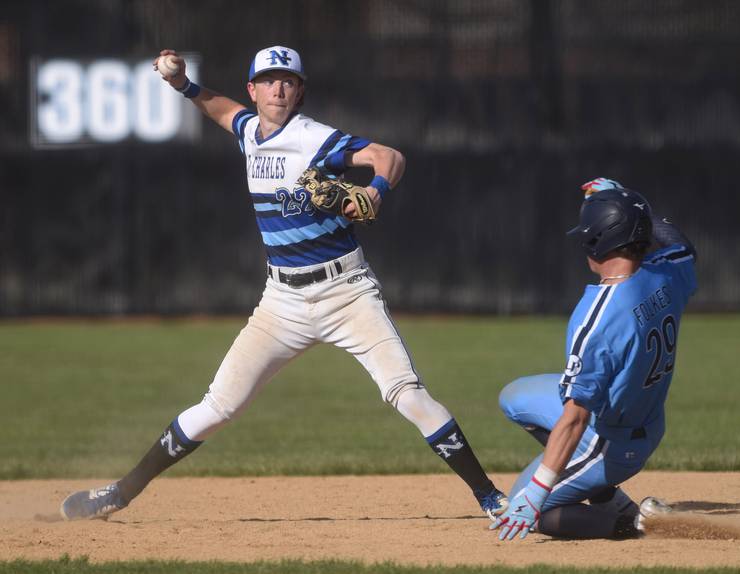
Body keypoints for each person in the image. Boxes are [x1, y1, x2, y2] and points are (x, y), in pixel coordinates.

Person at [60, 46, 507, 521]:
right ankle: (118, 494)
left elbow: (388, 155)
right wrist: (184, 86)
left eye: (288, 81)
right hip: (282, 301)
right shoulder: (249, 130)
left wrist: (376, 188)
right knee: (217, 407)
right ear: (252, 90)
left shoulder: (316, 139)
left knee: (407, 395)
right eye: (268, 80)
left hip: (347, 293)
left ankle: (490, 498)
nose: (278, 88)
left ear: (299, 91)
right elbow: (221, 110)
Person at [490, 178, 697, 541]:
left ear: (596, 242)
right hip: (645, 415)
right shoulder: (668, 272)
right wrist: (629, 203)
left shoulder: (597, 318)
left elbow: (575, 418)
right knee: (514, 397)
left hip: (613, 441)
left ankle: (632, 523)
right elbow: (681, 244)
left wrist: (537, 494)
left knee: (536, 512)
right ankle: (600, 491)